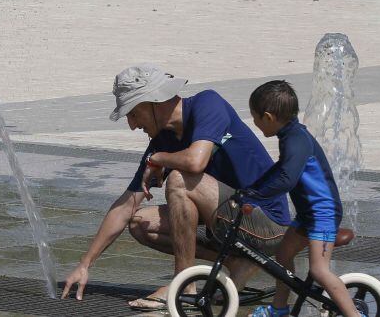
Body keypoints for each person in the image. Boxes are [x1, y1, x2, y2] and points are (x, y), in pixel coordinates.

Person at [61, 64, 290, 312]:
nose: (132, 125)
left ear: (154, 101)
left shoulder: (208, 104)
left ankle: (183, 284)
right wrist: (85, 263)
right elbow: (126, 206)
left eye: (133, 113)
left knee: (179, 180)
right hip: (229, 224)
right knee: (139, 223)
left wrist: (158, 159)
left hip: (268, 225)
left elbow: (195, 161)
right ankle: (238, 263)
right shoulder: (163, 140)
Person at [246, 81, 363, 317]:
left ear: (268, 117)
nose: (255, 123)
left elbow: (286, 179)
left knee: (319, 271)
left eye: (255, 117)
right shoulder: (289, 136)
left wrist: (257, 196)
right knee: (282, 257)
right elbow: (280, 169)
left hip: (323, 214)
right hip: (308, 214)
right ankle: (279, 309)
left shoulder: (296, 139)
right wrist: (250, 190)